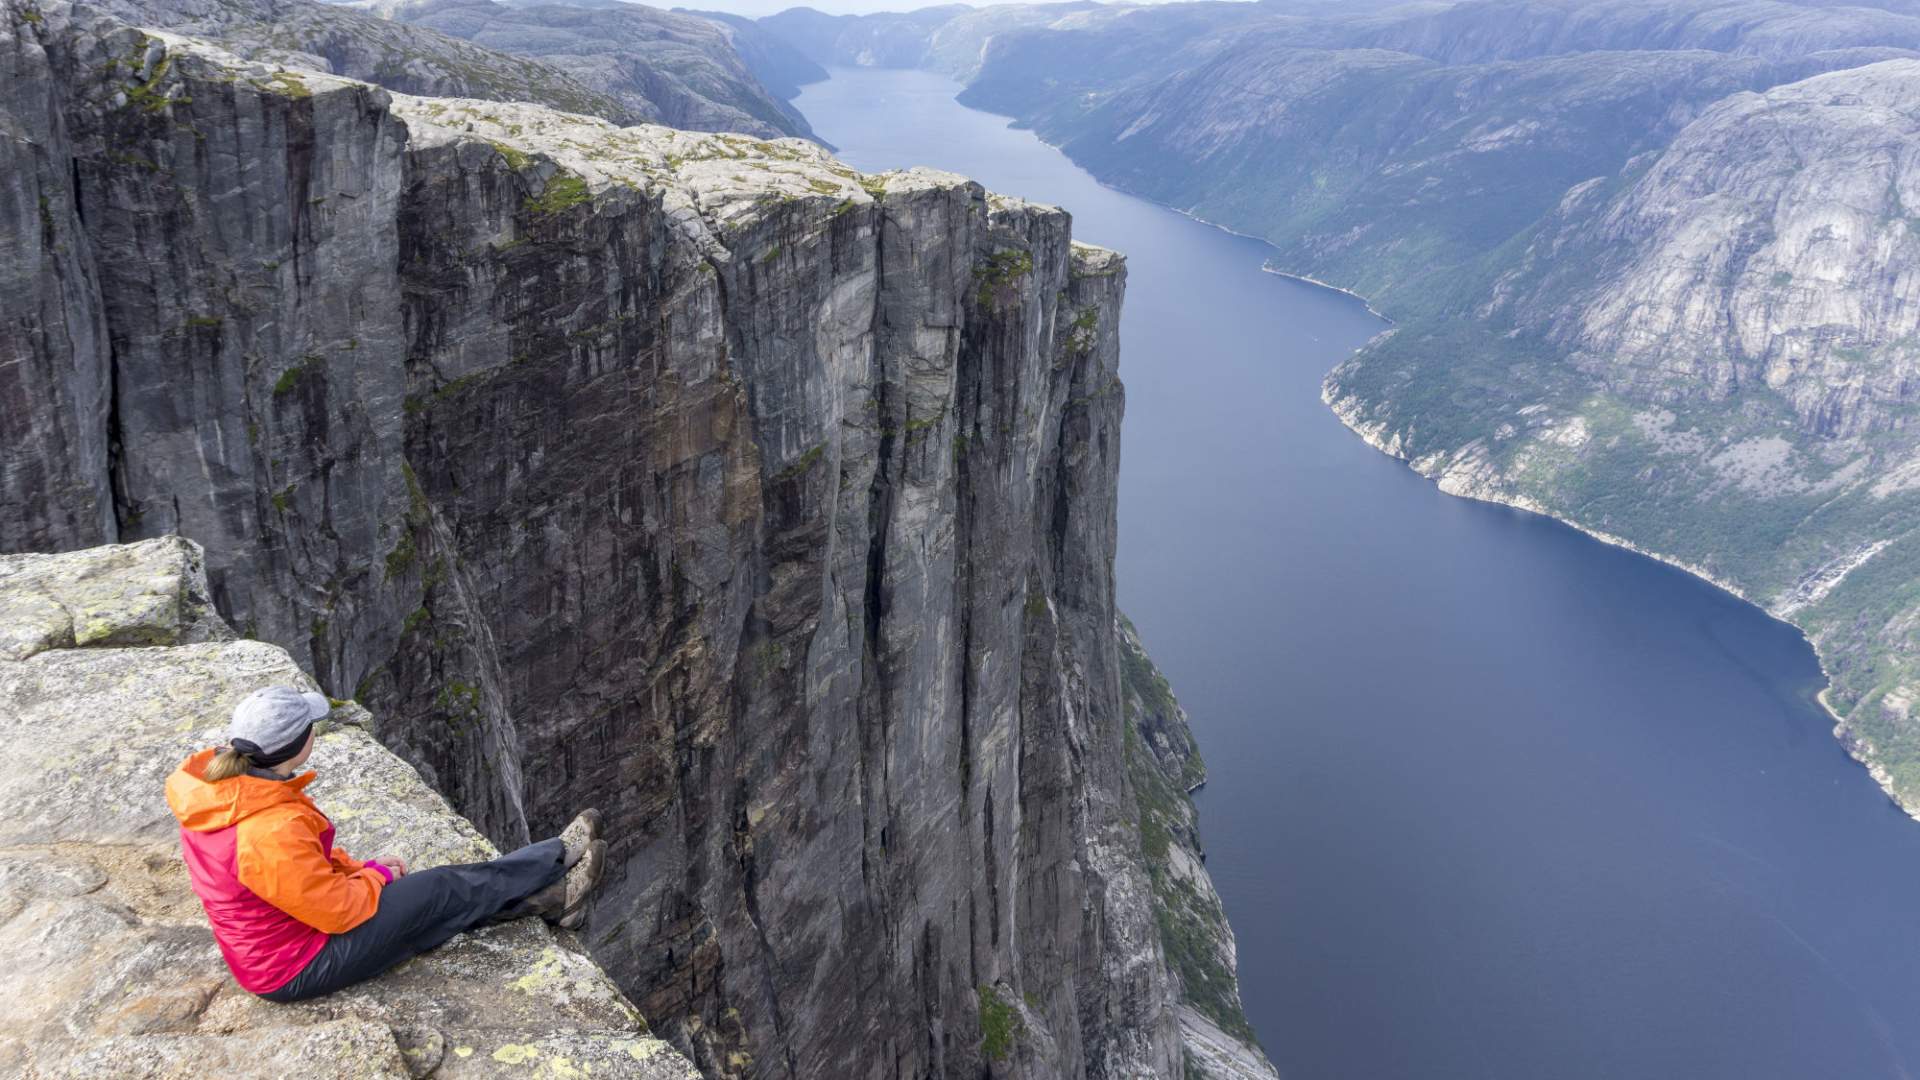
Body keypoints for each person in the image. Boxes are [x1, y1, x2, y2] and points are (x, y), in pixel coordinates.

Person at [165, 684, 608, 1002]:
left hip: (284, 945)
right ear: (298, 745)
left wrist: (361, 872)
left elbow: (301, 871)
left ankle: (552, 898)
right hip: (297, 964)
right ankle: (552, 860)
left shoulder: (229, 792)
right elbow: (336, 910)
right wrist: (375, 877)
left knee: (426, 906)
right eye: (310, 726)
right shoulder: (265, 827)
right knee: (438, 890)